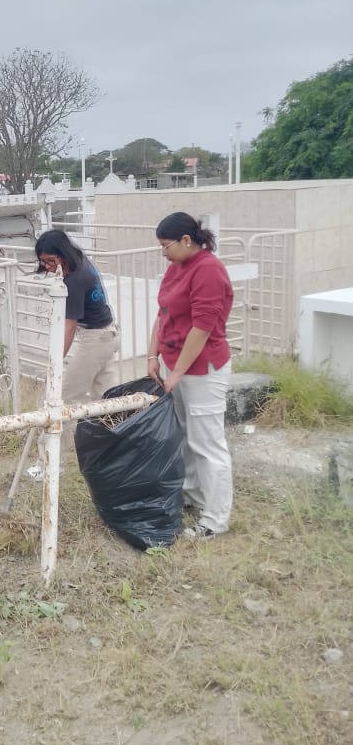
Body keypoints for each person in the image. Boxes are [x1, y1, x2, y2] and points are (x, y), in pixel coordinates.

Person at [147, 212, 234, 539]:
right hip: (177, 364)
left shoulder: (208, 270)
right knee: (184, 436)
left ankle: (215, 518)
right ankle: (192, 495)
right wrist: (152, 355)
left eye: (165, 245)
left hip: (203, 369)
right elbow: (163, 313)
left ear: (186, 240)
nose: (163, 252)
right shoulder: (176, 267)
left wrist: (177, 374)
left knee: (207, 443)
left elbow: (202, 328)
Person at [34, 230, 120, 455]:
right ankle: (116, 453)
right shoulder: (79, 260)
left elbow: (69, 327)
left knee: (63, 400)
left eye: (50, 260)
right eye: (43, 262)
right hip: (107, 336)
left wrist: (55, 363)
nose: (47, 267)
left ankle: (49, 462)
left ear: (62, 254)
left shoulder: (74, 280)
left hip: (95, 341)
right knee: (108, 402)